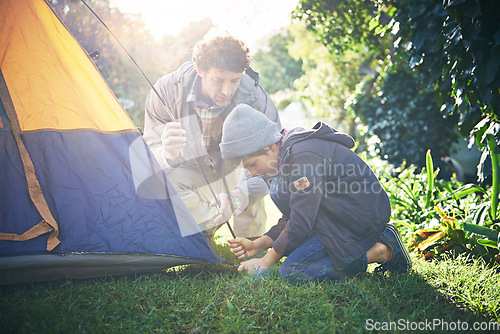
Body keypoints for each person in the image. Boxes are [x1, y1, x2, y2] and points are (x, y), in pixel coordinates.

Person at [219, 104, 411, 284]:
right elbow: (294, 215)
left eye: (252, 164)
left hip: (358, 219)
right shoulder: (280, 161)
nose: (252, 173)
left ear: (269, 146)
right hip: (330, 218)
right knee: (292, 260)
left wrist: (266, 261)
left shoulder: (303, 156)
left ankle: (383, 248)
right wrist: (259, 244)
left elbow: (301, 221)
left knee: (293, 270)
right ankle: (370, 248)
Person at [143, 29, 280, 238]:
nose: (226, 90)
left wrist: (240, 195)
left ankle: (251, 241)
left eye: (234, 81)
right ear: (200, 69)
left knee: (254, 170)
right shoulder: (165, 92)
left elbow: (274, 160)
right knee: (167, 181)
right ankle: (208, 226)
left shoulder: (255, 97)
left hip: (235, 172)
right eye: (218, 80)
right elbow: (149, 154)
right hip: (193, 172)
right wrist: (167, 153)